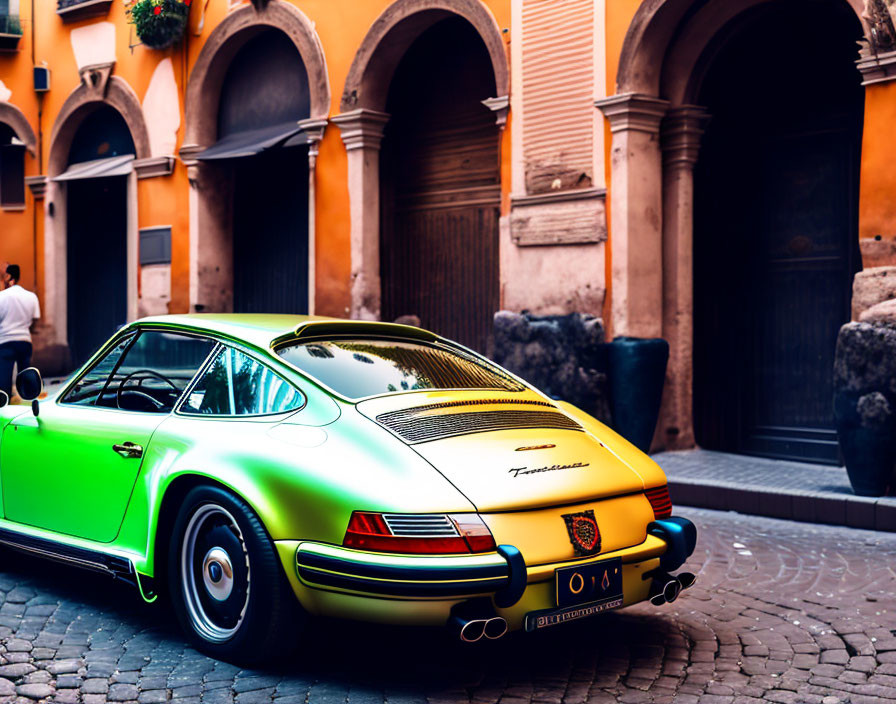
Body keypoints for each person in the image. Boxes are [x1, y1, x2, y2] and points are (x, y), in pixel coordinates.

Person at [0, 264, 41, 399]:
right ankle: (27, 402)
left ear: (8, 277)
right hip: (25, 341)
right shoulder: (31, 296)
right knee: (25, 377)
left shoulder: (2, 296)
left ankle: (4, 406)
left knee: (4, 378)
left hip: (5, 342)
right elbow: (35, 321)